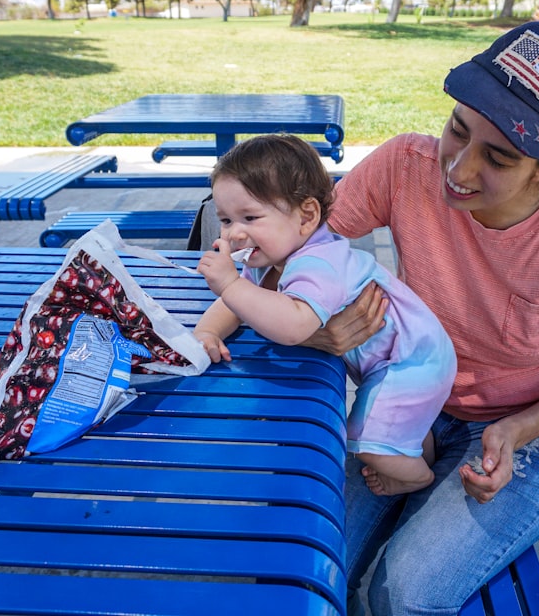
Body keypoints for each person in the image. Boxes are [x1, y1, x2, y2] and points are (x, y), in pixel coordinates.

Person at [303, 20, 539, 615]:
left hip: (536, 432)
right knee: (309, 562)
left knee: (403, 595)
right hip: (414, 401)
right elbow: (298, 240)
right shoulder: (405, 165)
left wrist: (515, 431)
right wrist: (312, 321)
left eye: (499, 158)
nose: (457, 170)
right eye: (457, 129)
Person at [193, 134, 458, 496]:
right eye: (225, 220)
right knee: (388, 428)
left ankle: (418, 479)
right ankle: (414, 445)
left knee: (364, 441)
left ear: (306, 217)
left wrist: (229, 285)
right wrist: (208, 331)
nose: (234, 233)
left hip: (412, 362)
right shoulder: (269, 257)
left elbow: (294, 325)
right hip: (410, 357)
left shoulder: (318, 263)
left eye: (250, 217)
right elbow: (236, 303)